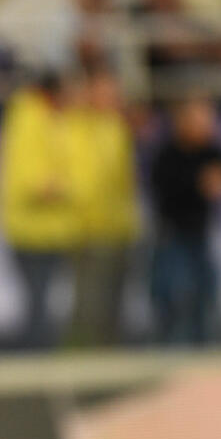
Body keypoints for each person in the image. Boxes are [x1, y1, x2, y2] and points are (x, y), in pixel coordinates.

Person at [0, 72, 80, 349]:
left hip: (46, 229)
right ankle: (35, 365)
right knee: (38, 305)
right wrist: (65, 187)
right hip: (33, 229)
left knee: (42, 303)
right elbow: (27, 179)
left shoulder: (41, 118)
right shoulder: (30, 120)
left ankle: (39, 362)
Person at [149, 94, 221, 344]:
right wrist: (199, 182)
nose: (206, 125)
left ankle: (206, 349)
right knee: (174, 296)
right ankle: (172, 350)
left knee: (207, 293)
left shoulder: (212, 149)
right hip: (172, 235)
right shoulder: (168, 152)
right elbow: (164, 187)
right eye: (199, 118)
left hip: (202, 234)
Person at [64, 69, 141, 347]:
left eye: (114, 92)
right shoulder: (76, 126)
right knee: (89, 307)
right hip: (89, 232)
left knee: (115, 308)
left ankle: (110, 362)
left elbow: (124, 182)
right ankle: (81, 369)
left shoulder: (118, 128)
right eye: (105, 91)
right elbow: (82, 181)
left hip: (120, 230)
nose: (112, 98)